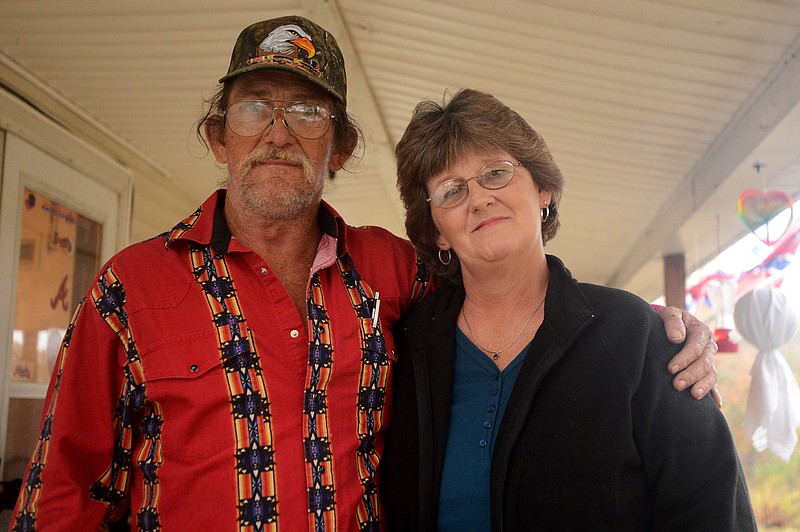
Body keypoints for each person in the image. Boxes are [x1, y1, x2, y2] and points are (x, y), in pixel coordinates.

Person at [10, 16, 718, 531]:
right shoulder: (129, 289)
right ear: (219, 136)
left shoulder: (392, 272)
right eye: (255, 106)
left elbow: (514, 295)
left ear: (341, 147)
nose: (279, 131)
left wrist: (662, 329)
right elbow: (61, 491)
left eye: (308, 111)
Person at [381, 88, 756, 531]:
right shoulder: (403, 347)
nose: (479, 198)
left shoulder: (636, 335)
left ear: (543, 190)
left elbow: (712, 510)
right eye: (451, 191)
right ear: (437, 232)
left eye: (496, 173)